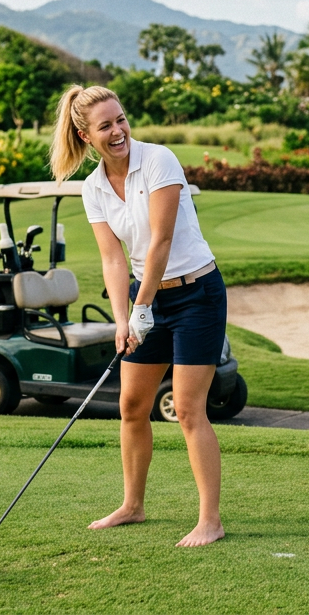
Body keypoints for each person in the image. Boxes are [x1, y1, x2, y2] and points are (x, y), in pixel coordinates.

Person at [50, 84, 226, 548]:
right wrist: (123, 318)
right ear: (87, 136)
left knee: (188, 410)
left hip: (196, 295)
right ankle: (133, 505)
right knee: (131, 406)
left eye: (121, 119)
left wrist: (142, 306)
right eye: (105, 125)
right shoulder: (92, 188)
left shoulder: (159, 160)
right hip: (147, 297)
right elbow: (113, 259)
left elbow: (162, 242)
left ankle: (210, 519)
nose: (118, 131)